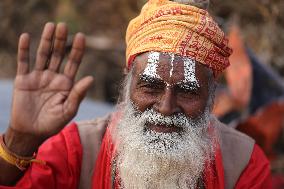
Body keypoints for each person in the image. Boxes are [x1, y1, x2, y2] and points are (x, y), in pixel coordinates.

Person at [0, 0, 272, 188]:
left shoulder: (243, 164)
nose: (165, 107)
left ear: (212, 95)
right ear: (127, 83)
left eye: (187, 91)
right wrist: (20, 139)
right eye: (150, 87)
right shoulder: (78, 150)